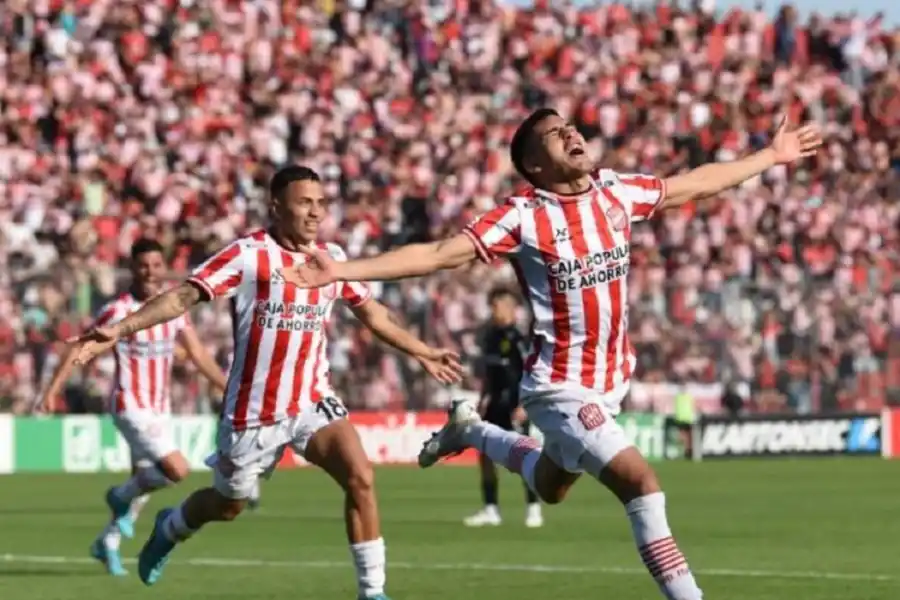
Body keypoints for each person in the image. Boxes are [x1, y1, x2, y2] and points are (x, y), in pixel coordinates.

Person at [279, 109, 822, 600]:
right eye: (553, 136)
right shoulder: (522, 216)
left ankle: (470, 432)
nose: (570, 134)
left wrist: (769, 156)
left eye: (570, 127)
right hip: (560, 387)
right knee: (641, 483)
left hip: (612, 382)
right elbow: (441, 253)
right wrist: (343, 269)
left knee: (549, 486)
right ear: (534, 167)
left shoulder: (615, 193)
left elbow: (695, 184)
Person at [70, 165, 463, 599]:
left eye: (320, 203)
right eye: (304, 203)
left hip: (312, 400)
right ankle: (172, 524)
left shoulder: (330, 259)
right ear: (276, 207)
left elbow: (373, 315)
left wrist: (422, 350)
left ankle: (372, 592)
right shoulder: (248, 255)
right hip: (252, 414)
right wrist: (121, 328)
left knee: (360, 476)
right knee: (227, 504)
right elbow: (184, 295)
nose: (315, 212)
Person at [33, 238, 229, 577]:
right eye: (143, 265)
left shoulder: (174, 308)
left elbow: (197, 354)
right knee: (177, 470)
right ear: (132, 268)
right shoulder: (118, 311)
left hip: (159, 408)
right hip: (130, 404)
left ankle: (106, 544)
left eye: (156, 265)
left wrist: (229, 388)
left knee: (143, 486)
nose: (150, 272)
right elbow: (79, 347)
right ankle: (117, 496)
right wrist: (52, 390)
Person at [464, 287, 542, 528]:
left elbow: (532, 372)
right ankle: (491, 509)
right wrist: (482, 399)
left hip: (514, 403)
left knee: (523, 455)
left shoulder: (519, 339)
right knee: (485, 454)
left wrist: (524, 404)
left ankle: (533, 507)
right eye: (493, 306)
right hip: (494, 403)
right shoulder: (489, 336)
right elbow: (489, 374)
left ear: (510, 308)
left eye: (498, 306)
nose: (494, 310)